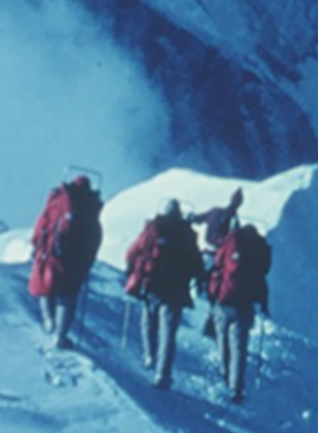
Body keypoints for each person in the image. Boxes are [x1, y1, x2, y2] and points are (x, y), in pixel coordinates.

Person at [122, 199, 201, 388]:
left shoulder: (153, 229)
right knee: (168, 333)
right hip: (175, 289)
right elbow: (196, 262)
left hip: (151, 285)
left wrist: (131, 270)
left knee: (148, 320)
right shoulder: (187, 234)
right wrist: (199, 279)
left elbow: (132, 252)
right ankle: (162, 374)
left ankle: (149, 355)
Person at [29, 173, 103, 349]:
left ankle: (49, 321)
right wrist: (87, 262)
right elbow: (94, 238)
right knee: (67, 298)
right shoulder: (90, 209)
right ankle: (60, 335)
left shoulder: (58, 201)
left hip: (50, 255)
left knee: (45, 289)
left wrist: (36, 245)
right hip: (74, 262)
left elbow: (41, 225)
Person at [205, 220, 272, 404]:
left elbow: (217, 264)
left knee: (222, 341)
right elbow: (261, 280)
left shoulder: (229, 243)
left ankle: (225, 374)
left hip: (223, 302)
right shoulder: (256, 252)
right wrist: (263, 305)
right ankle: (236, 388)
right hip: (244, 306)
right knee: (239, 348)